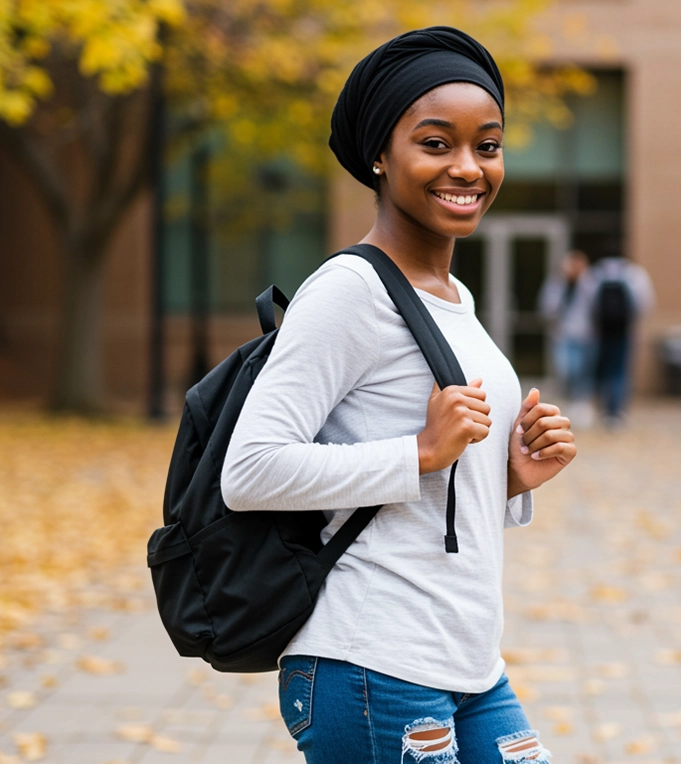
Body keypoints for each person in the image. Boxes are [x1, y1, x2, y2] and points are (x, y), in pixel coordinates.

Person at [220, 27, 575, 764]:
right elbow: (248, 470)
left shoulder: (454, 297)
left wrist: (510, 474)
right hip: (372, 660)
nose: (468, 168)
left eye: (488, 144)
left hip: (469, 660)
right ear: (380, 155)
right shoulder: (350, 290)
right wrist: (419, 450)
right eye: (437, 143)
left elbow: (426, 502)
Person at [591, 249, 655, 427]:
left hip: (601, 332)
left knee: (603, 371)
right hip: (623, 332)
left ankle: (604, 409)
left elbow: (588, 303)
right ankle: (617, 411)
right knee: (619, 372)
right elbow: (645, 304)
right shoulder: (634, 274)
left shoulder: (597, 273)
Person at [538, 250, 597, 425]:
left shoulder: (590, 284)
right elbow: (547, 307)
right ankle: (571, 400)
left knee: (582, 372)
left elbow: (596, 306)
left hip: (586, 336)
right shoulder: (557, 284)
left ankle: (581, 404)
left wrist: (582, 281)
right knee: (566, 370)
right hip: (563, 335)